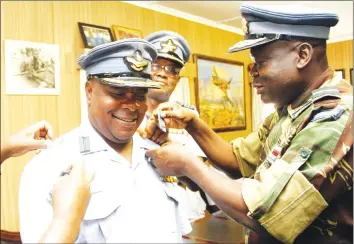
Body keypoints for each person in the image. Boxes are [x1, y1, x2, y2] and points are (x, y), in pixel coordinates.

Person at [145, 3, 353, 244]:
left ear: (302, 55)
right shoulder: (291, 109)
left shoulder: (334, 115)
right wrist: (193, 124)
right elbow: (238, 160)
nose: (252, 73)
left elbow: (266, 214)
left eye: (260, 63)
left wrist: (188, 165)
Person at [19, 38, 192, 243]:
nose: (131, 105)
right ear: (89, 92)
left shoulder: (159, 154)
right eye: (118, 93)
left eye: (139, 94)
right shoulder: (49, 165)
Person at [143, 30, 219, 220]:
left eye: (171, 70)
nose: (162, 73)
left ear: (177, 79)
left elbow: (198, 181)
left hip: (188, 215)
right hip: (146, 213)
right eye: (156, 66)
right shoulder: (126, 117)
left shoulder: (187, 118)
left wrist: (169, 145)